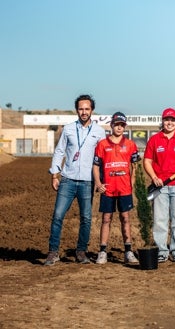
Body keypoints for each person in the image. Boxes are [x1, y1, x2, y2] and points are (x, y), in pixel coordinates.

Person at [44, 94, 106, 266]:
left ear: (92, 110)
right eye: (81, 108)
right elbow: (59, 152)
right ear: (77, 110)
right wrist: (55, 174)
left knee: (86, 218)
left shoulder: (99, 132)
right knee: (57, 215)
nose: (84, 112)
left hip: (87, 182)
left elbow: (103, 157)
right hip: (67, 180)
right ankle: (53, 252)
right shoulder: (69, 129)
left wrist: (101, 180)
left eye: (87, 109)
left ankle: (81, 252)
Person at [143, 108, 175, 263]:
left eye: (172, 120)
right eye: (167, 120)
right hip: (160, 187)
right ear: (162, 121)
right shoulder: (154, 139)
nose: (169, 123)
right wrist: (154, 177)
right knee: (160, 219)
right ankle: (161, 250)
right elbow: (147, 161)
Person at [93, 112, 140, 265]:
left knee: (125, 218)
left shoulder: (131, 144)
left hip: (124, 188)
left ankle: (128, 251)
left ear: (124, 127)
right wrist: (98, 183)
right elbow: (96, 165)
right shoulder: (102, 144)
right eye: (117, 124)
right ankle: (102, 251)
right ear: (111, 125)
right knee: (106, 219)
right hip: (108, 189)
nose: (119, 127)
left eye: (122, 125)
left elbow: (135, 165)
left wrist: (132, 181)